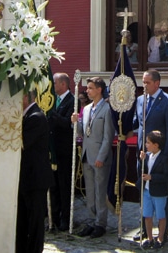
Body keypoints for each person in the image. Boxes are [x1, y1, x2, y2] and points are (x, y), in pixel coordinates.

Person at [132, 70, 168, 243]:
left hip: (159, 156)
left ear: (157, 83)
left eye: (147, 82)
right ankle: (145, 229)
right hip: (143, 154)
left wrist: (165, 156)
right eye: (143, 82)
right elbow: (138, 123)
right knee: (144, 193)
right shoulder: (140, 100)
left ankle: (163, 232)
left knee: (162, 194)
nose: (144, 85)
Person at [71, 76, 114, 239]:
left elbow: (107, 137)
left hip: (99, 156)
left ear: (99, 90)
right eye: (87, 88)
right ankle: (90, 220)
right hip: (87, 154)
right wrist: (75, 123)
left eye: (90, 88)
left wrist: (101, 157)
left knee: (99, 190)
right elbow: (82, 132)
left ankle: (100, 223)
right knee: (89, 190)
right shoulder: (87, 108)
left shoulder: (107, 110)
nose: (87, 91)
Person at [16, 91, 54, 253]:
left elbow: (22, 142)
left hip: (36, 178)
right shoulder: (28, 116)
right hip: (27, 178)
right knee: (24, 218)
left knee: (35, 221)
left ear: (25, 97)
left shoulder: (36, 117)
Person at [48, 72, 75, 232]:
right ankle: (54, 217)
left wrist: (53, 114)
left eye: (55, 83)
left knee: (64, 186)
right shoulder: (52, 100)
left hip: (64, 150)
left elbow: (67, 124)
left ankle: (65, 219)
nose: (53, 85)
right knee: (53, 185)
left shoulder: (72, 100)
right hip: (53, 150)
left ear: (63, 84)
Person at [139, 130, 168, 249]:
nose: (146, 145)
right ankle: (149, 237)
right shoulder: (147, 156)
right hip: (147, 191)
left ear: (156, 145)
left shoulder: (163, 158)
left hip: (159, 193)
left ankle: (160, 238)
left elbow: (166, 176)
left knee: (160, 216)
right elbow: (142, 171)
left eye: (148, 143)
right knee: (147, 215)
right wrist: (141, 160)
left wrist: (152, 177)